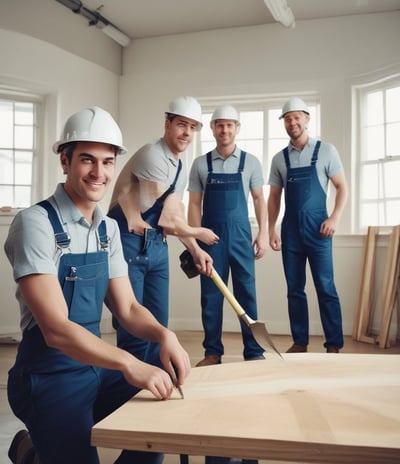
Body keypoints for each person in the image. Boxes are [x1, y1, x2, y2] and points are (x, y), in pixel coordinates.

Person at [4, 106, 191, 464]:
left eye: (107, 162)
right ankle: (32, 451)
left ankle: (40, 450)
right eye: (87, 160)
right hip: (47, 376)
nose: (99, 172)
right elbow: (56, 330)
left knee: (159, 424)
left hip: (95, 369)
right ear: (65, 160)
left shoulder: (107, 229)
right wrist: (128, 363)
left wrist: (165, 335)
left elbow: (129, 309)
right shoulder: (35, 224)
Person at [108, 96, 217, 367]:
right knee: (133, 327)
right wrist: (198, 233)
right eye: (182, 125)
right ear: (167, 124)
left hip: (156, 245)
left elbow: (172, 213)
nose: (187, 133)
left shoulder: (180, 165)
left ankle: (158, 383)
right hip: (127, 242)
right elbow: (170, 220)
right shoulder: (152, 155)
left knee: (159, 325)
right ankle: (130, 391)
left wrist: (195, 249)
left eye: (193, 127)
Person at [188, 104, 267, 367]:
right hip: (211, 238)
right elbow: (194, 204)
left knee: (247, 292)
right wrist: (196, 239)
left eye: (229, 125)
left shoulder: (251, 162)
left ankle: (254, 351)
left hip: (242, 236)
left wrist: (263, 233)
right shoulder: (201, 164)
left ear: (237, 128)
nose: (225, 129)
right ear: (212, 128)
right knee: (210, 295)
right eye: (219, 124)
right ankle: (212, 352)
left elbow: (259, 200)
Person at [267, 97, 348, 354]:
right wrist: (271, 229)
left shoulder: (326, 151)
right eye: (287, 119)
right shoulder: (279, 159)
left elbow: (342, 187)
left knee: (326, 286)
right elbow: (274, 198)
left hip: (319, 230)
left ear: (307, 119)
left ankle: (334, 344)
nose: (292, 122)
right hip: (290, 231)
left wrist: (334, 218)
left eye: (296, 117)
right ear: (284, 123)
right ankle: (300, 342)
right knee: (294, 289)